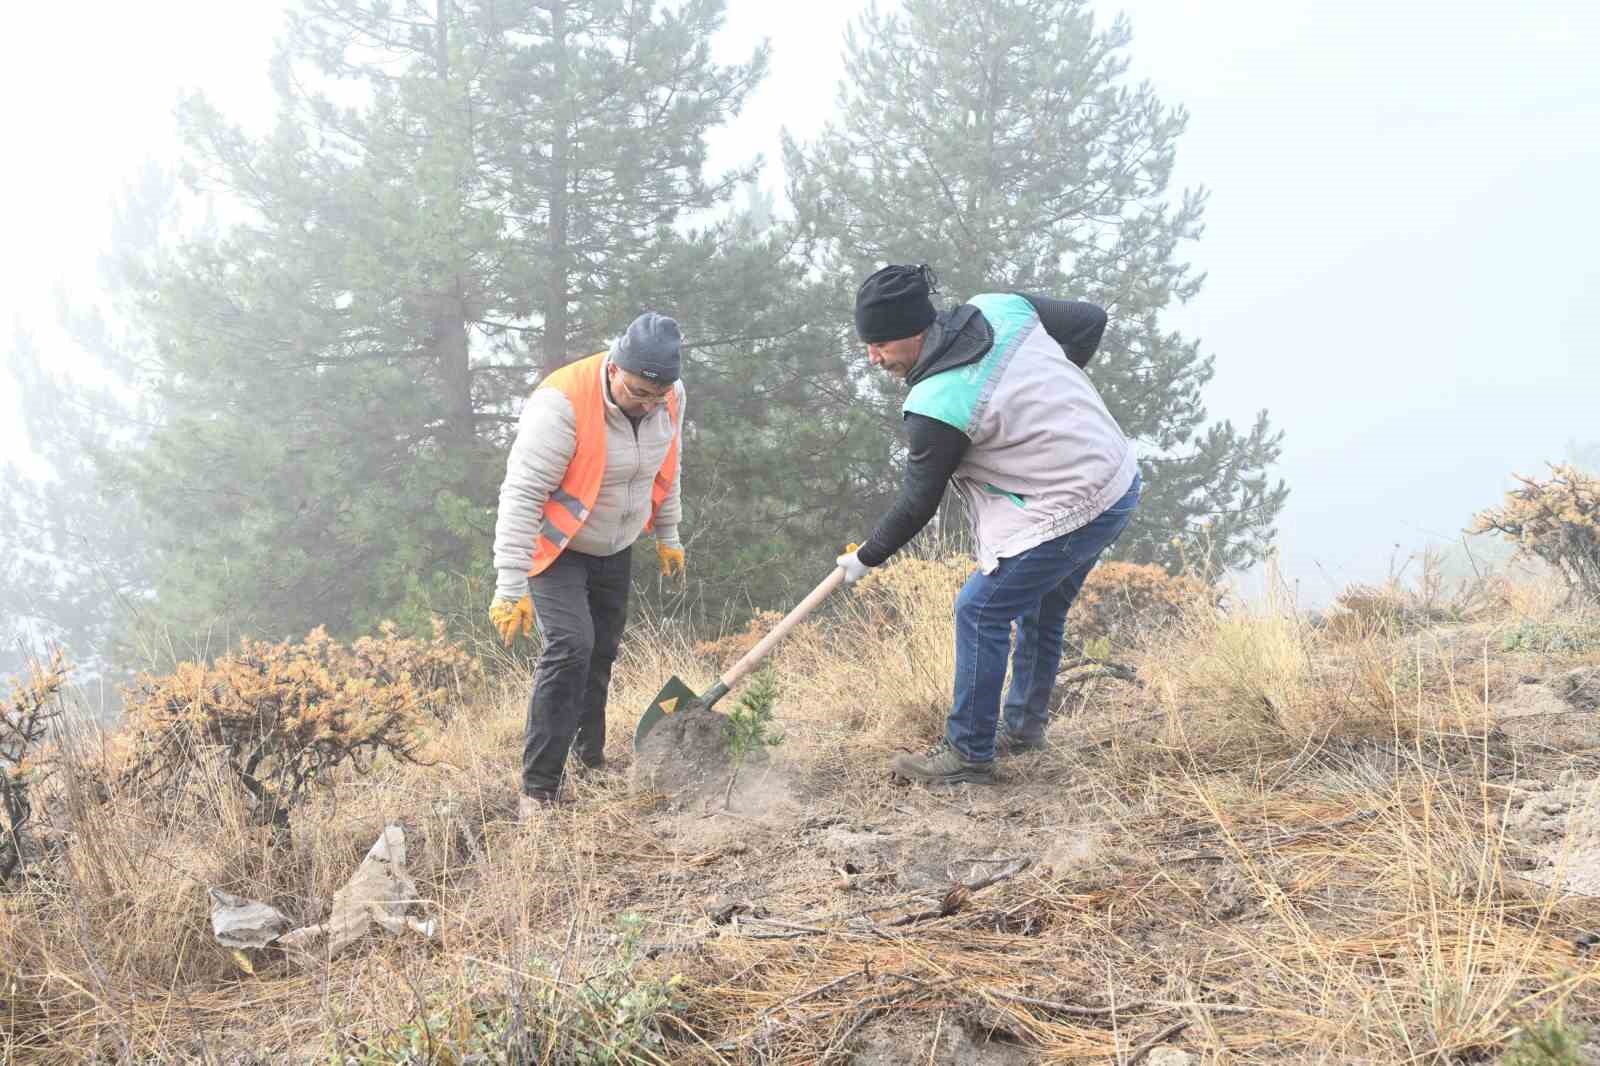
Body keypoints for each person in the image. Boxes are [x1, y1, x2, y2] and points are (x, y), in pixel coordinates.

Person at [837, 265, 1140, 786]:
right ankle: (1022, 727)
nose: (873, 357)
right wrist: (1049, 400)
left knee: (980, 609)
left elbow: (917, 503)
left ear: (914, 330)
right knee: (1042, 607)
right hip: (1114, 477)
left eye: (881, 343)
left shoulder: (936, 405)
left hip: (1070, 500)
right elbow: (1089, 319)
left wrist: (866, 556)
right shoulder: (1002, 307)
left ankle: (969, 753)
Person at [490, 313, 687, 816]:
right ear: (615, 368)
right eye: (638, 391)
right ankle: (538, 789)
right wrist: (510, 586)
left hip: (614, 545)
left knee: (601, 651)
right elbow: (522, 493)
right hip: (556, 551)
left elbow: (669, 466)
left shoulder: (670, 397)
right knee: (571, 649)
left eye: (655, 396)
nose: (646, 404)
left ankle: (589, 759)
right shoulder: (563, 404)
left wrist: (668, 536)